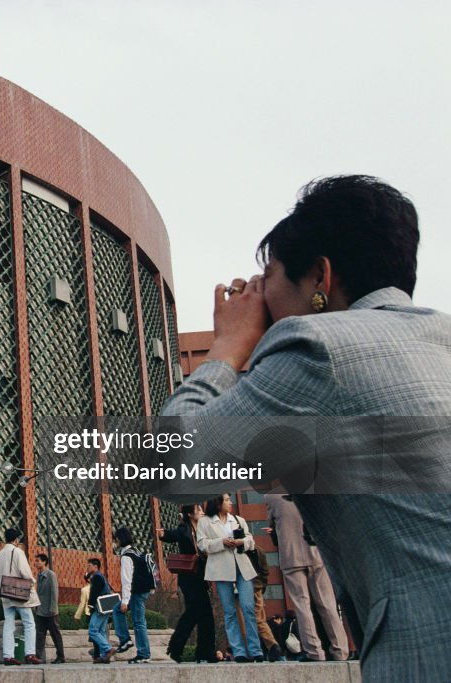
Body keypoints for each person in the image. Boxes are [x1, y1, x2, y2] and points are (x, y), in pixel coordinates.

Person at [160, 175, 451, 679]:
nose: (258, 296)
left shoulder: (318, 346)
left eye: (266, 277)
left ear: (320, 276)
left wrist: (227, 348)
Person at [264, 493, 348, 662]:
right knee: (327, 604)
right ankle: (341, 650)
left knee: (302, 606)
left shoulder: (272, 497)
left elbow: (272, 523)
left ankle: (314, 652)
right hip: (316, 554)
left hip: (292, 556)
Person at [196, 493, 262, 662]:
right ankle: (239, 651)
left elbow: (250, 540)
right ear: (217, 502)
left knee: (248, 607)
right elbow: (202, 544)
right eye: (227, 500)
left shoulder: (238, 520)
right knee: (229, 611)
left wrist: (241, 542)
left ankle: (255, 650)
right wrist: (222, 542)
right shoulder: (205, 522)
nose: (230, 503)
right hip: (221, 568)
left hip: (242, 566)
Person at [158, 503, 215, 663]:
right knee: (201, 614)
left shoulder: (203, 530)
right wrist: (163, 534)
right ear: (190, 514)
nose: (202, 512)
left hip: (201, 578)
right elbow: (173, 534)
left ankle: (180, 649)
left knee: (198, 614)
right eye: (199, 510)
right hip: (189, 578)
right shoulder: (185, 529)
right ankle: (201, 651)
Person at [0, 528, 42, 665]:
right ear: (16, 539)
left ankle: (8, 656)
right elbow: (25, 572)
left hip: (5, 592)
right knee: (29, 622)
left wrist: (3, 589)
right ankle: (30, 654)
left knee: (8, 624)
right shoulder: (18, 552)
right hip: (19, 592)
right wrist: (32, 581)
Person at [111, 527, 154, 664]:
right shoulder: (136, 551)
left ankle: (143, 653)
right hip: (143, 591)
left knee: (139, 623)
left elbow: (126, 580)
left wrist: (125, 601)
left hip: (136, 592)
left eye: (115, 539)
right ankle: (126, 641)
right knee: (117, 611)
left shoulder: (126, 557)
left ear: (118, 539)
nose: (114, 542)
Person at [247, 547, 282, 661]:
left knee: (247, 619)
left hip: (248, 588)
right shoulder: (259, 550)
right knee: (259, 619)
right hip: (257, 588)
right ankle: (272, 645)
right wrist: (262, 587)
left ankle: (251, 651)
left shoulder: (239, 549)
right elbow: (265, 572)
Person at [33, 553, 64, 664]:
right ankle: (38, 657)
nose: (35, 563)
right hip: (41, 611)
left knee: (55, 634)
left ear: (44, 562)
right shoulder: (38, 575)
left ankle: (61, 656)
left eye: (38, 561)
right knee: (40, 635)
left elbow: (54, 592)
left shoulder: (51, 574)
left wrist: (53, 608)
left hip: (50, 611)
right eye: (35, 561)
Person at [84, 558, 115, 663]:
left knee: (93, 631)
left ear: (95, 566)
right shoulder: (101, 576)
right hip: (107, 606)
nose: (87, 567)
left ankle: (108, 649)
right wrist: (88, 576)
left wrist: (91, 605)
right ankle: (104, 656)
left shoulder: (97, 577)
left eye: (89, 565)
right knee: (101, 631)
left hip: (99, 607)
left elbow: (94, 593)